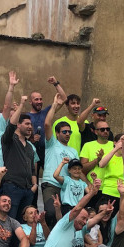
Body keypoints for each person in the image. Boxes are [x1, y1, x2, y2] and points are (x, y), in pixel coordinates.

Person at [42, 92, 78, 227]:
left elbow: (76, 171)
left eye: (69, 132)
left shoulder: (73, 151)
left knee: (64, 217)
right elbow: (47, 124)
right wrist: (54, 106)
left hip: (66, 187)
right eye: (64, 132)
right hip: (51, 184)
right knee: (51, 212)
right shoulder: (51, 143)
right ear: (57, 133)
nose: (67, 134)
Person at [1, 95, 38, 220]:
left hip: (27, 190)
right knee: (9, 221)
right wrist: (21, 104)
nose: (30, 127)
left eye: (31, 124)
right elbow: (10, 126)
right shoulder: (9, 140)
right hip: (12, 188)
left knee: (22, 224)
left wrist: (34, 186)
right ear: (18, 124)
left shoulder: (29, 147)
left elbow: (32, 169)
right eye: (27, 124)